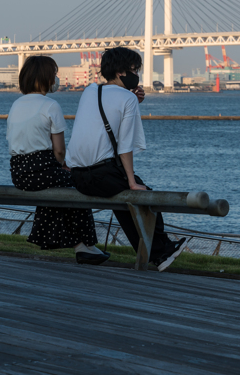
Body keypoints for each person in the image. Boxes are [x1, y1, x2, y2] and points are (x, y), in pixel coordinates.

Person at [66, 47, 186, 271]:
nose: (136, 73)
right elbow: (125, 146)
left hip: (78, 175)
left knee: (125, 203)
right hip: (102, 174)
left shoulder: (90, 90)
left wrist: (131, 99)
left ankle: (158, 254)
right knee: (146, 196)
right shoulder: (127, 100)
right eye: (134, 69)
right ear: (121, 71)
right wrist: (131, 181)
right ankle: (161, 251)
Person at [7, 55, 110, 265]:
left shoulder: (16, 105)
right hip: (41, 168)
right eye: (54, 75)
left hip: (18, 172)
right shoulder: (50, 105)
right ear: (46, 78)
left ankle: (81, 246)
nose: (57, 79)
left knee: (58, 186)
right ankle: (85, 245)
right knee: (77, 185)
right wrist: (62, 166)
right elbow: (60, 151)